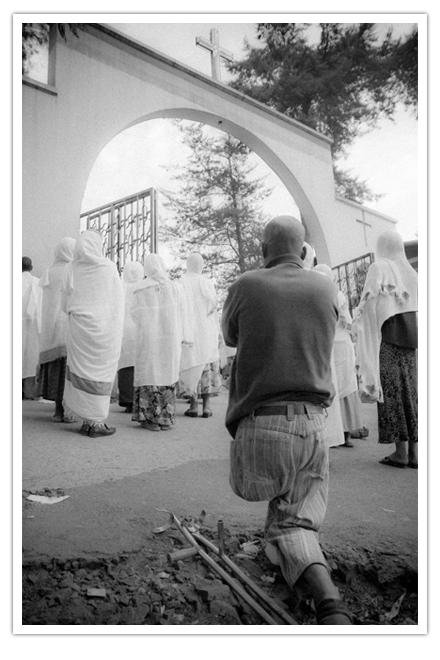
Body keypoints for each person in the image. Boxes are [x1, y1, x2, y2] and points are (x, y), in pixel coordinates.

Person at [222, 215, 353, 625]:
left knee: (288, 522)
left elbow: (230, 337)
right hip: (314, 427)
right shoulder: (326, 287)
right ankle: (295, 550)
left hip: (260, 430)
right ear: (302, 250)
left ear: (263, 250)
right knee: (296, 519)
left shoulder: (246, 285)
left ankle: (328, 602)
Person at [353, 230, 418, 468]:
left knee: (392, 394)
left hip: (388, 339)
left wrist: (358, 322)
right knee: (411, 394)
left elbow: (368, 302)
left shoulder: (379, 267)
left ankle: (400, 453)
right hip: (410, 341)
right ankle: (415, 453)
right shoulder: (412, 273)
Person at [62, 231, 124, 438]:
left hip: (79, 328)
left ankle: (86, 420)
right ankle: (96, 422)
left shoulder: (71, 268)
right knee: (101, 372)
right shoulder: (108, 267)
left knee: (81, 370)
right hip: (105, 330)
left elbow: (64, 300)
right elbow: (117, 301)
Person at [131, 253, 193, 431]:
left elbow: (134, 315)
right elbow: (184, 314)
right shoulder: (175, 288)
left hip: (149, 339)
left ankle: (150, 418)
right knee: (166, 373)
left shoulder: (141, 288)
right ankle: (165, 418)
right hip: (170, 340)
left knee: (149, 372)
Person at [314, 264, 363, 448]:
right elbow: (347, 321)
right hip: (342, 343)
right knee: (346, 387)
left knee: (333, 387)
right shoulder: (337, 294)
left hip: (328, 344)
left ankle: (333, 434)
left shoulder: (317, 295)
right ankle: (346, 435)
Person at [301, 252, 344, 449]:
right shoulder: (324, 287)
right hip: (325, 344)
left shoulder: (306, 283)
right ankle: (328, 438)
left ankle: (319, 440)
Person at [37, 237, 77, 422]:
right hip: (66, 324)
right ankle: (65, 411)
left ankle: (57, 410)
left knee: (56, 368)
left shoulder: (50, 271)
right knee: (67, 369)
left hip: (50, 326)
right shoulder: (73, 270)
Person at [178, 253, 221, 418]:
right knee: (206, 366)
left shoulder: (181, 282)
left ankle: (194, 405)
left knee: (191, 365)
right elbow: (213, 309)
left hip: (189, 331)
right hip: (206, 331)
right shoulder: (206, 283)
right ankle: (207, 407)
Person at [117, 261, 144, 413]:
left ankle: (127, 400)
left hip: (124, 330)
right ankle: (139, 400)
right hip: (140, 329)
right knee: (139, 364)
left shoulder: (121, 287)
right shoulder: (144, 287)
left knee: (125, 365)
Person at [22, 256, 42, 399]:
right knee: (31, 359)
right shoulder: (37, 283)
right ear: (31, 267)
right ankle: (29, 392)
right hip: (33, 325)